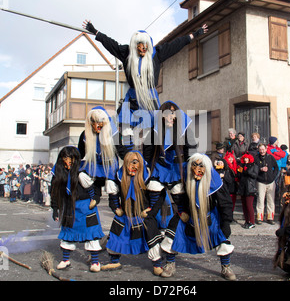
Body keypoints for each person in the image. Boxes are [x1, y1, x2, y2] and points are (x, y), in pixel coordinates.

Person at [83, 20, 208, 149]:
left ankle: (158, 153)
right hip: (133, 97)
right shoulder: (127, 54)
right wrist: (95, 32)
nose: (143, 48)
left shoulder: (156, 54)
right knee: (125, 127)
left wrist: (194, 35)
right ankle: (127, 151)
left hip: (150, 98)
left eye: (145, 45)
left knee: (154, 127)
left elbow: (175, 45)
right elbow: (111, 44)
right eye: (139, 44)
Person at [160, 153, 236, 280]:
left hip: (209, 214)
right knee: (171, 234)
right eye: (194, 166)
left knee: (222, 237)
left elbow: (225, 202)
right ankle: (170, 264)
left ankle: (226, 266)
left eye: (201, 166)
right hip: (187, 214)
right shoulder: (184, 176)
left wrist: (226, 221)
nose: (197, 170)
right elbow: (178, 196)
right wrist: (181, 210)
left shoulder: (214, 180)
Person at [102, 151, 165, 276]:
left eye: (135, 162)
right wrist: (116, 208)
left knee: (152, 240)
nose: (132, 166)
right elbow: (113, 197)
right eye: (130, 163)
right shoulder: (119, 177)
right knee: (116, 237)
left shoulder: (148, 178)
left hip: (143, 216)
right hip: (125, 216)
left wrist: (151, 211)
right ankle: (114, 260)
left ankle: (157, 264)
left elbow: (158, 197)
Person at [143, 101, 197, 229]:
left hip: (178, 169)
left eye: (173, 112)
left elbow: (192, 152)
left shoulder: (185, 131)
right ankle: (152, 232)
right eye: (166, 113)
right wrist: (147, 170)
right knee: (153, 202)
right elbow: (147, 155)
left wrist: (190, 168)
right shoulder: (154, 132)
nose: (170, 116)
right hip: (159, 169)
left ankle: (178, 234)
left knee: (182, 204)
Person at [51, 146, 105, 272]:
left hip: (87, 206)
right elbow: (54, 192)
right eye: (65, 159)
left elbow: (95, 185)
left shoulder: (84, 169)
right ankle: (65, 260)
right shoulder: (58, 172)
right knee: (68, 234)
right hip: (69, 206)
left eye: (71, 159)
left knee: (91, 235)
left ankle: (95, 262)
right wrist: (55, 208)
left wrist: (95, 199)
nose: (68, 162)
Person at [78, 106, 119, 201]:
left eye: (101, 121)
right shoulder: (85, 136)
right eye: (94, 121)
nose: (98, 125)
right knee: (82, 176)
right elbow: (80, 154)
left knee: (111, 185)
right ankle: (94, 196)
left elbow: (122, 151)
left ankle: (115, 204)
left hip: (109, 168)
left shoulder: (113, 134)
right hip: (94, 167)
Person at [254, 143, 279, 224]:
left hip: (270, 182)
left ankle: (270, 218)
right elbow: (253, 169)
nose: (262, 151)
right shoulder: (256, 158)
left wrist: (273, 176)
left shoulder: (270, 157)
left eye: (263, 149)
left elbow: (276, 168)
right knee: (260, 200)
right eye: (260, 149)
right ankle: (259, 218)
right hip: (260, 182)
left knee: (271, 200)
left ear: (266, 149)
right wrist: (260, 170)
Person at [237, 152, 258, 229]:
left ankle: (252, 222)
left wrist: (247, 171)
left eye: (247, 158)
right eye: (244, 158)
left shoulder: (254, 166)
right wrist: (239, 171)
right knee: (244, 206)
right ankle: (247, 221)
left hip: (250, 187)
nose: (245, 160)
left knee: (249, 206)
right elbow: (239, 176)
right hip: (243, 187)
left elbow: (255, 175)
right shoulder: (242, 166)